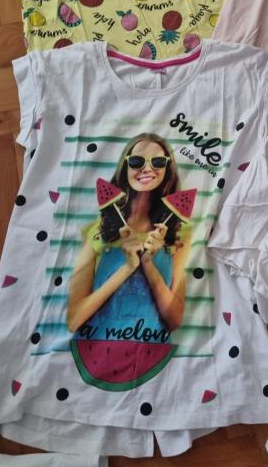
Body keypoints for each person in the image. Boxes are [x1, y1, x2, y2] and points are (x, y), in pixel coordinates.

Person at [66, 133, 190, 337]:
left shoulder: (179, 233)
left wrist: (148, 265)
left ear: (167, 169)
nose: (147, 168)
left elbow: (175, 320)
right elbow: (74, 320)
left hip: (151, 346)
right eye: (137, 161)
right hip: (95, 342)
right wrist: (128, 267)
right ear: (125, 167)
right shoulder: (96, 231)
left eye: (158, 162)